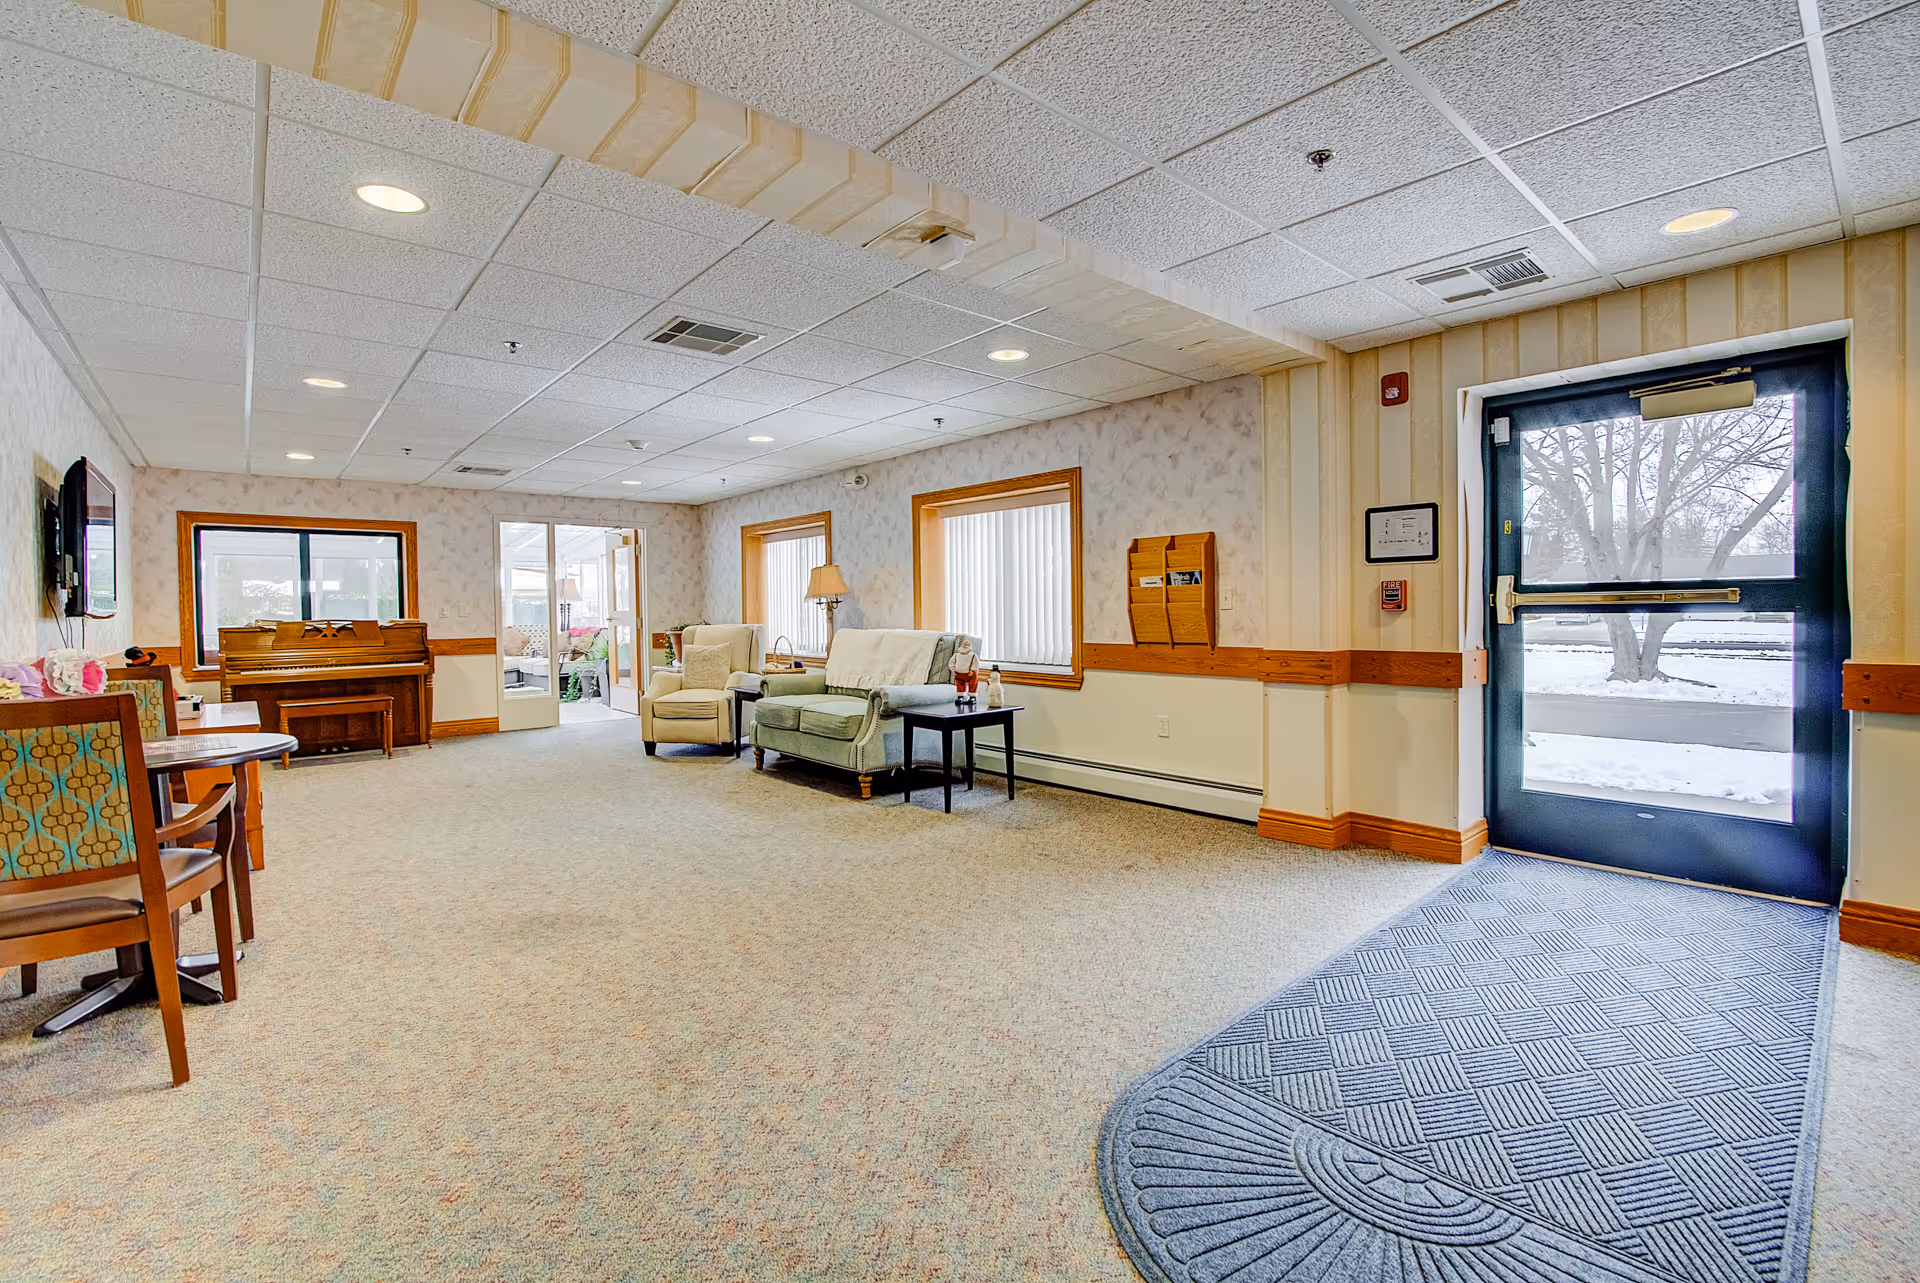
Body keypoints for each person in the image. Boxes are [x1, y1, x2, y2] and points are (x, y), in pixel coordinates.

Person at [949, 637, 980, 704]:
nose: (965, 646)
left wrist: (973, 670)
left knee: (973, 684)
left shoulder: (973, 655)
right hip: (959, 673)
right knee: (960, 685)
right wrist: (953, 669)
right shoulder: (956, 655)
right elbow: (951, 662)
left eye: (966, 645)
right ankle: (960, 696)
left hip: (969, 673)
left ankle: (972, 697)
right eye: (964, 644)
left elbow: (976, 663)